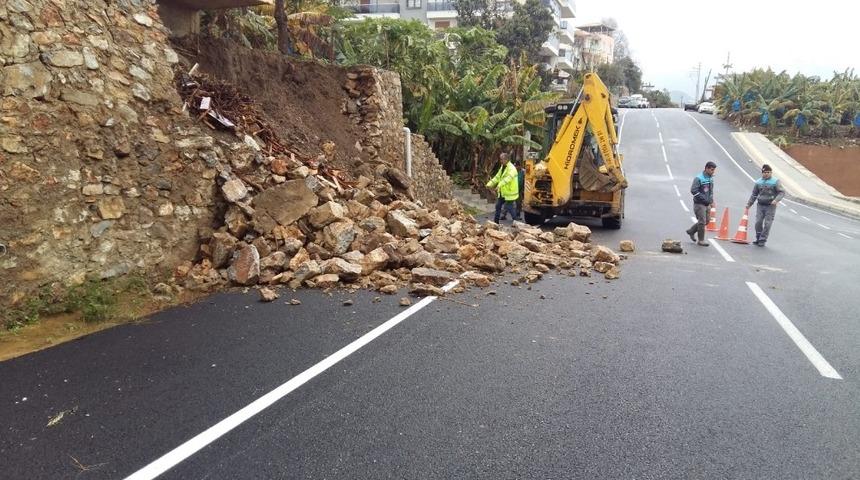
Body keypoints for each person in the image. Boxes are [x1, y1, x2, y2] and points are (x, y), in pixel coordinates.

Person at [746, 164, 785, 247]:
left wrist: (776, 200)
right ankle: (758, 238)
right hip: (760, 205)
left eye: (768, 172)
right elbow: (754, 194)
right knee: (758, 222)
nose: (766, 174)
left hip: (770, 206)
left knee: (767, 223)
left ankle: (762, 239)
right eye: (765, 172)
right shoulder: (758, 182)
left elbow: (782, 192)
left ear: (771, 173)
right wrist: (749, 204)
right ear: (762, 173)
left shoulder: (775, 181)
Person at [685, 161, 716, 246]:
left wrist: (711, 201)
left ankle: (691, 231)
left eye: (714, 170)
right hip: (699, 204)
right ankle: (701, 240)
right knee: (702, 221)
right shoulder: (698, 178)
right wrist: (704, 200)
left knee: (707, 221)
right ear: (706, 168)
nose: (713, 172)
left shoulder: (710, 178)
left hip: (707, 204)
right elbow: (693, 190)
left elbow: (710, 191)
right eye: (712, 170)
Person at [486, 152, 518, 224]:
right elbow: (497, 177)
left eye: (501, 159)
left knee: (509, 207)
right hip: (503, 192)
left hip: (510, 193)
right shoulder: (503, 167)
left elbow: (507, 179)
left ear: (506, 159)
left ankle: (517, 222)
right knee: (498, 206)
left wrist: (498, 185)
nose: (500, 161)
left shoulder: (512, 169)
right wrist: (489, 184)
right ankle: (495, 222)